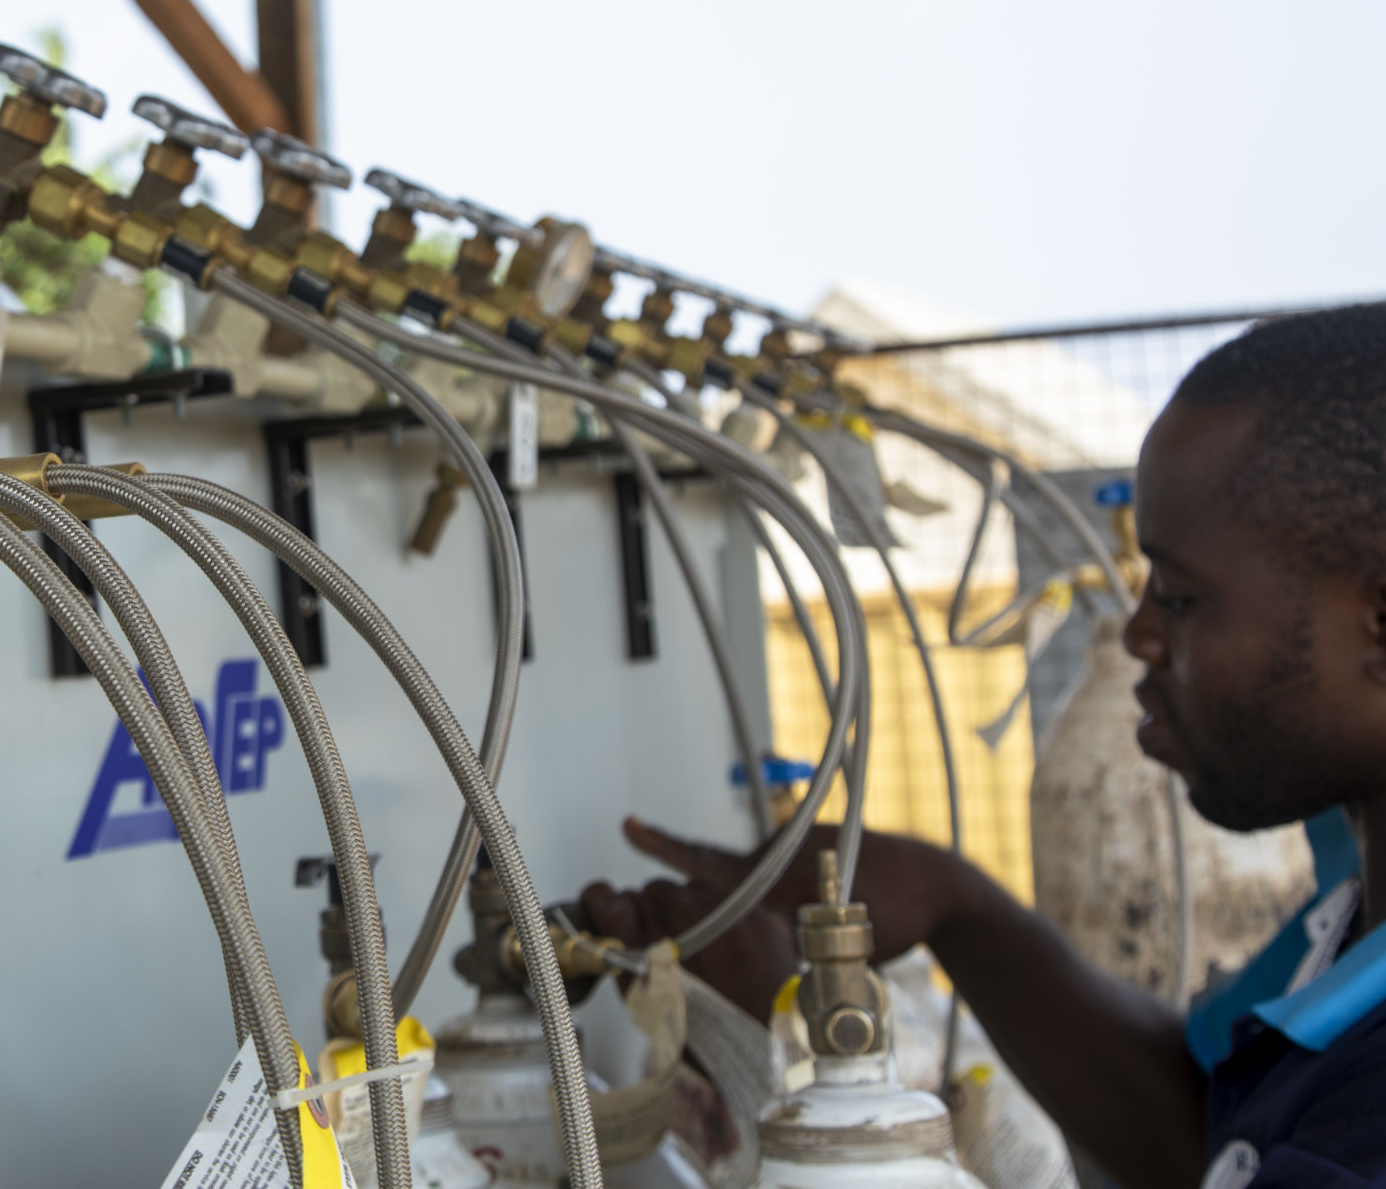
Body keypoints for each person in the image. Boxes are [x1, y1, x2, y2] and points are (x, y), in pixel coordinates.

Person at [580, 304, 1386, 1189]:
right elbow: (1213, 1142)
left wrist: (801, 1068)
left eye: (1185, 599)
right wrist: (952, 904)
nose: (1140, 635)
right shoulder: (1349, 901)